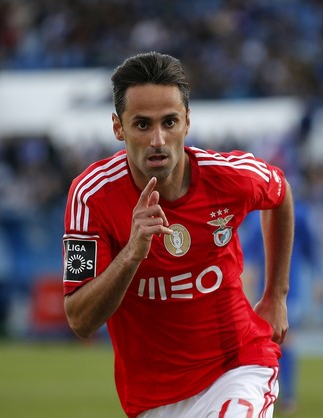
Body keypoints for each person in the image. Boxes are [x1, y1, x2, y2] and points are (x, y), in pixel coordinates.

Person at [62, 51, 294, 418]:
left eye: (169, 122)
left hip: (236, 368)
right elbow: (79, 319)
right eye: (142, 125)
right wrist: (132, 253)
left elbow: (280, 194)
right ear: (117, 127)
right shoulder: (91, 197)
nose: (158, 139)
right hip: (151, 399)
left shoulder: (230, 178)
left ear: (187, 122)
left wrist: (276, 295)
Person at [241, 196, 321, 415]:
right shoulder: (255, 216)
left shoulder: (299, 213)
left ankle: (290, 395)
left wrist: (318, 278)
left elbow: (312, 249)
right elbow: (249, 255)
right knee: (265, 341)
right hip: (262, 288)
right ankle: (272, 393)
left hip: (288, 287)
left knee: (286, 338)